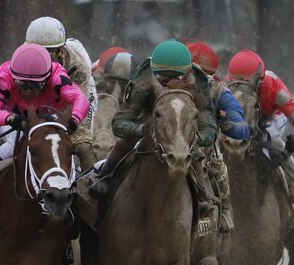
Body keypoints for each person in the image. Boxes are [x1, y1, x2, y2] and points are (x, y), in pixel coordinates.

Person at [0, 43, 89, 265]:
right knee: (10, 146)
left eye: (35, 85)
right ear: (14, 76)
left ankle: (71, 209)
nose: (28, 90)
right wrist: (11, 119)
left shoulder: (57, 74)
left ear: (47, 77)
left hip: (51, 119)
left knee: (64, 154)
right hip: (15, 119)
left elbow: (79, 99)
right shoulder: (5, 74)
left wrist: (73, 120)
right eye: (23, 84)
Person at [91, 39, 218, 197]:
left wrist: (191, 137)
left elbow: (209, 128)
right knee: (125, 141)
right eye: (163, 77)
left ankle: (202, 195)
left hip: (184, 124)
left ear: (187, 73)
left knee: (196, 153)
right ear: (154, 71)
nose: (168, 82)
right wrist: (142, 129)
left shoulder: (198, 80)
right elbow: (119, 123)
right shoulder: (145, 76)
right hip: (149, 117)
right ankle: (106, 177)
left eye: (176, 77)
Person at [227, 49, 294, 227]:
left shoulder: (273, 85)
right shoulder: (226, 86)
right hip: (244, 117)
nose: (242, 89)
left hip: (270, 118)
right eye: (236, 84)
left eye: (249, 85)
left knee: (272, 140)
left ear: (260, 81)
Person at [188, 41, 250, 232]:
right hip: (169, 137)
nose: (198, 81)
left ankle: (224, 209)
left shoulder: (218, 89)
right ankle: (108, 178)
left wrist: (229, 125)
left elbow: (242, 126)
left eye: (204, 76)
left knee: (219, 167)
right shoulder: (165, 81)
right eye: (193, 73)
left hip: (204, 142)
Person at [25, 16, 98, 170]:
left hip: (78, 93)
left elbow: (79, 102)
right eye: (38, 51)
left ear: (60, 49)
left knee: (81, 143)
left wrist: (63, 125)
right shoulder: (22, 56)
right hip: (46, 94)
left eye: (49, 51)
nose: (43, 57)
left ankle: (92, 182)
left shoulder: (78, 64)